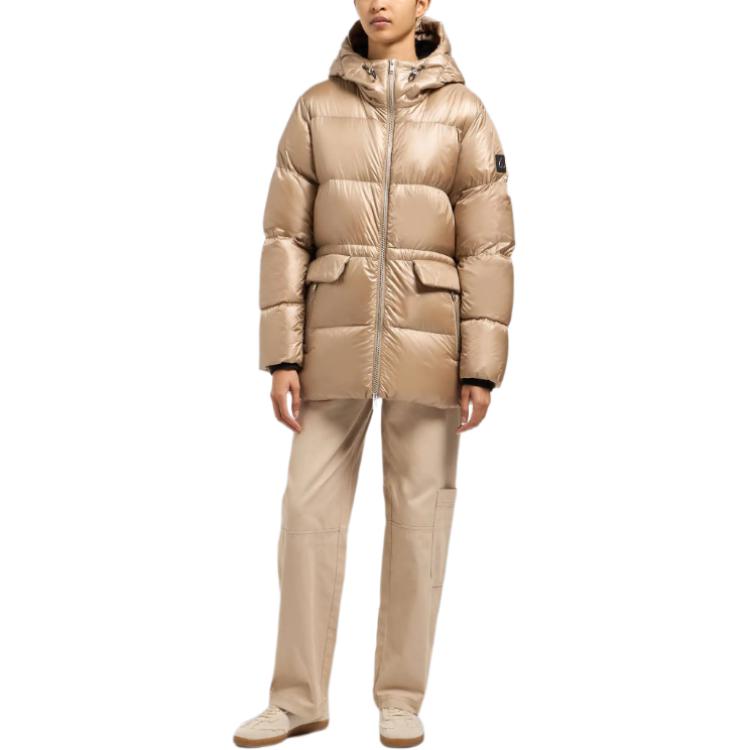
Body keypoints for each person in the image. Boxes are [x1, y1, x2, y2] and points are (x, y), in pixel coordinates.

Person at [234, 1, 515, 747]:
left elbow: (488, 247)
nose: (377, 2)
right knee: (305, 517)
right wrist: (283, 354)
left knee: (420, 525)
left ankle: (400, 697)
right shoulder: (314, 108)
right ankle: (297, 699)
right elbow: (284, 236)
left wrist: (481, 366)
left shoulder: (464, 114)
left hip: (431, 341)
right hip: (330, 338)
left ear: (424, 1)